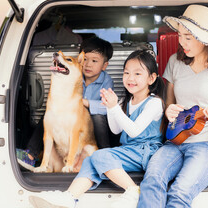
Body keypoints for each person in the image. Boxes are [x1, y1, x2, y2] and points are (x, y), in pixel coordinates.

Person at [29, 49, 165, 208]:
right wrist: (109, 107)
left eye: (137, 74)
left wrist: (114, 108)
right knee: (91, 161)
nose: (130, 78)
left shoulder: (154, 103)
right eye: (126, 73)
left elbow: (134, 131)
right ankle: (69, 197)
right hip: (130, 151)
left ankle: (133, 190)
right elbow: (115, 130)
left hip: (146, 152)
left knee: (99, 155)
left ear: (151, 78)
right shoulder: (124, 102)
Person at [138, 5, 208, 208]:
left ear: (205, 38)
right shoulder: (175, 61)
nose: (181, 42)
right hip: (176, 141)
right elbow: (169, 103)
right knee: (151, 182)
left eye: (188, 37)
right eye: (180, 35)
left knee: (179, 193)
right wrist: (168, 110)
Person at [16, 36, 114, 170]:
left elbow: (107, 107)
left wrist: (85, 103)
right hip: (69, 116)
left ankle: (105, 156)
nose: (88, 64)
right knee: (49, 116)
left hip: (90, 120)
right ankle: (31, 155)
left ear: (104, 66)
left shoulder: (106, 81)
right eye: (84, 60)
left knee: (98, 119)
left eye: (94, 61)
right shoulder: (73, 74)